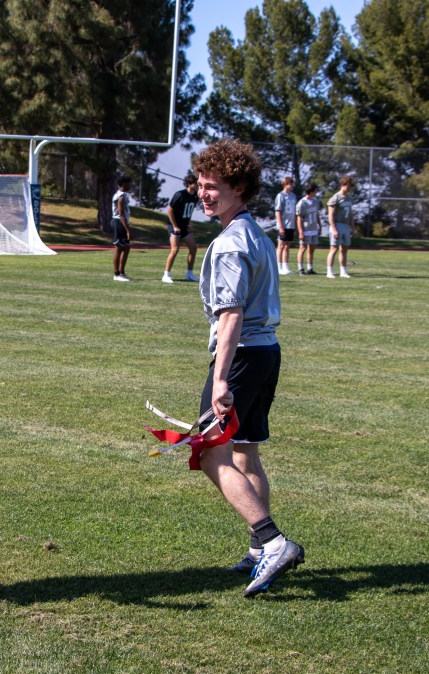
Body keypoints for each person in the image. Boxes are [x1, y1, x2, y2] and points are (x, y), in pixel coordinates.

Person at [192, 138, 304, 598]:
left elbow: (231, 313)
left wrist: (221, 378)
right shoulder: (254, 232)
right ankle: (260, 551)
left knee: (209, 455)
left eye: (213, 186)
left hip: (240, 357)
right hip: (265, 353)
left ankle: (274, 541)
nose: (204, 194)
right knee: (245, 452)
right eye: (200, 184)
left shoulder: (231, 242)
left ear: (239, 188)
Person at [162, 173, 200, 283]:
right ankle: (166, 275)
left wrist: (188, 223)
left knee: (193, 248)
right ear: (188, 184)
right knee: (175, 249)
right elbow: (170, 210)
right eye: (195, 183)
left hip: (184, 226)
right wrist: (175, 226)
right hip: (175, 225)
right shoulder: (180, 194)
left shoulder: (195, 196)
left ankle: (189, 274)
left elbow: (189, 211)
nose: (197, 184)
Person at [326, 175, 356, 278]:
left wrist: (353, 228)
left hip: (345, 226)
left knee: (344, 249)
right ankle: (329, 271)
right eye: (348, 185)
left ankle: (343, 271)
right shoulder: (335, 198)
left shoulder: (349, 198)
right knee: (334, 249)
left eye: (351, 186)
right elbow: (330, 215)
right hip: (337, 225)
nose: (349, 188)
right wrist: (334, 229)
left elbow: (351, 214)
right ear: (342, 184)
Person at [273, 177, 298, 275]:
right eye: (289, 184)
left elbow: (294, 211)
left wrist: (295, 224)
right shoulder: (280, 196)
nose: (291, 186)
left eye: (292, 184)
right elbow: (278, 211)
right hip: (283, 224)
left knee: (287, 245)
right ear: (285, 184)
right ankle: (278, 267)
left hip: (290, 224)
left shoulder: (293, 196)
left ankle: (285, 266)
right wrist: (280, 226)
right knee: (281, 245)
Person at [295, 182, 321, 275]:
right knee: (303, 248)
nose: (316, 192)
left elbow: (317, 215)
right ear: (311, 191)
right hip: (306, 230)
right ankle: (300, 268)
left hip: (314, 228)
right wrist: (301, 231)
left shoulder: (315, 201)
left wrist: (319, 226)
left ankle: (310, 268)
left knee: (312, 249)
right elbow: (299, 218)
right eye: (315, 190)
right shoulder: (302, 203)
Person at [112, 175, 133, 282]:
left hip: (122, 223)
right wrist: (128, 230)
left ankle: (122, 272)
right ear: (124, 184)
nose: (130, 185)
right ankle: (116, 274)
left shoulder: (122, 195)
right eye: (129, 183)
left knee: (127, 247)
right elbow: (121, 214)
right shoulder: (121, 196)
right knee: (119, 248)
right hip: (119, 223)